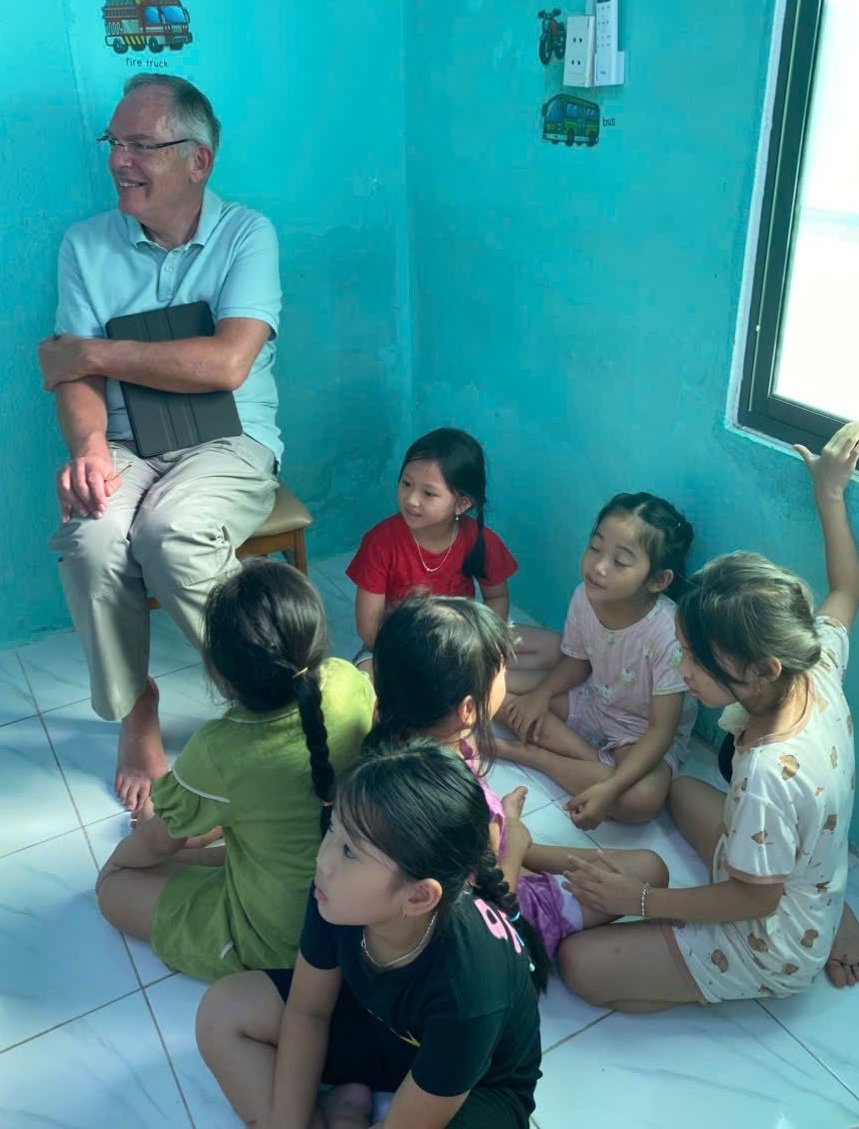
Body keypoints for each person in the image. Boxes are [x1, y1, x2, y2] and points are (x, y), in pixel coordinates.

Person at [556, 421, 859, 1010]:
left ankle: (810, 935)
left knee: (578, 965)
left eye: (697, 660)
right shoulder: (816, 660)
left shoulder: (767, 774)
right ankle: (830, 905)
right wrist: (829, 494)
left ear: (761, 672)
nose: (681, 666)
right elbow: (847, 589)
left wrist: (642, 901)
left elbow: (754, 901)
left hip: (769, 936)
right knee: (681, 791)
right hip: (796, 876)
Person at [38, 75, 283, 819]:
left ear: (197, 161)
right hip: (124, 441)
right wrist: (87, 447)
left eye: (141, 145)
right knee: (91, 537)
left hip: (228, 437)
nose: (119, 160)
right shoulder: (85, 245)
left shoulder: (249, 234)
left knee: (171, 535)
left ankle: (262, 699)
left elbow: (225, 364)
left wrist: (95, 353)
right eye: (114, 142)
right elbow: (65, 379)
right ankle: (135, 704)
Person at [196, 742, 546, 1128]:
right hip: (383, 1028)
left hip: (479, 1085)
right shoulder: (337, 896)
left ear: (417, 895)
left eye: (349, 852)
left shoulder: (470, 984)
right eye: (333, 830)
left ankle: (346, 1110)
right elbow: (308, 1011)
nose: (323, 859)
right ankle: (342, 1109)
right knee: (224, 1010)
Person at [94, 560, 374, 981]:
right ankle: (210, 843)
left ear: (221, 676)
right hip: (362, 905)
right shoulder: (346, 680)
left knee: (113, 892)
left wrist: (115, 866)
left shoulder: (220, 749)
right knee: (215, 827)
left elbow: (156, 842)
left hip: (280, 937)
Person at [369, 596, 668, 959]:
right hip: (498, 914)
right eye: (500, 674)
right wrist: (515, 840)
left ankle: (527, 850)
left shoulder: (387, 746)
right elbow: (492, 901)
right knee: (650, 869)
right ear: (467, 709)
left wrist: (507, 828)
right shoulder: (456, 798)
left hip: (476, 868)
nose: (506, 681)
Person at [498, 492, 696, 830]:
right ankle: (590, 762)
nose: (599, 566)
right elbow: (577, 662)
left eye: (620, 562)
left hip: (642, 732)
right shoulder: (585, 596)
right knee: (496, 692)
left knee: (642, 799)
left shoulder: (669, 632)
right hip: (594, 700)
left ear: (658, 580)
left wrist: (612, 788)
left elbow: (662, 731)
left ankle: (533, 755)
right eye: (595, 548)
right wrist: (540, 696)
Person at [346, 428, 517, 670]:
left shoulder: (481, 540)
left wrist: (481, 642)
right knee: (365, 678)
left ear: (462, 503)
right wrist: (421, 659)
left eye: (428, 493)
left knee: (550, 648)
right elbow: (367, 627)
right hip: (397, 647)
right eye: (406, 484)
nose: (411, 499)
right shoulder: (380, 542)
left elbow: (497, 597)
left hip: (457, 643)